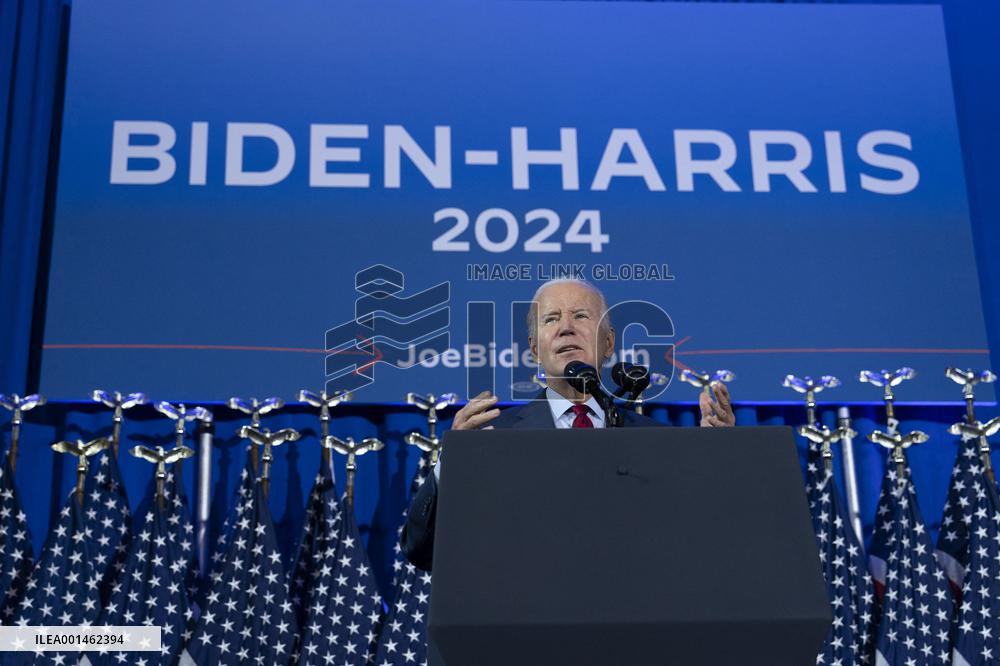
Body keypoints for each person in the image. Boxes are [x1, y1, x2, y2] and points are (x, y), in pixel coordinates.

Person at [401, 279, 736, 571]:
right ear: (534, 349)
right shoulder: (492, 439)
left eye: (580, 316)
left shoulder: (658, 441)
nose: (565, 328)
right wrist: (454, 464)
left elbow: (702, 544)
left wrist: (713, 463)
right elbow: (421, 549)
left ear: (608, 344)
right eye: (551, 319)